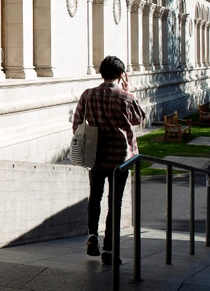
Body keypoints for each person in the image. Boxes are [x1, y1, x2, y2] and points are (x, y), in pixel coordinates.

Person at [72, 56, 146, 265]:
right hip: (119, 158)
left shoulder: (88, 94)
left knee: (94, 197)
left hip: (95, 155)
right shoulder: (125, 97)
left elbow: (77, 123)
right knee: (115, 204)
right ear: (121, 74)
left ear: (101, 72)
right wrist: (129, 90)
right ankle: (109, 250)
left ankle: (92, 236)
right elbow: (139, 118)